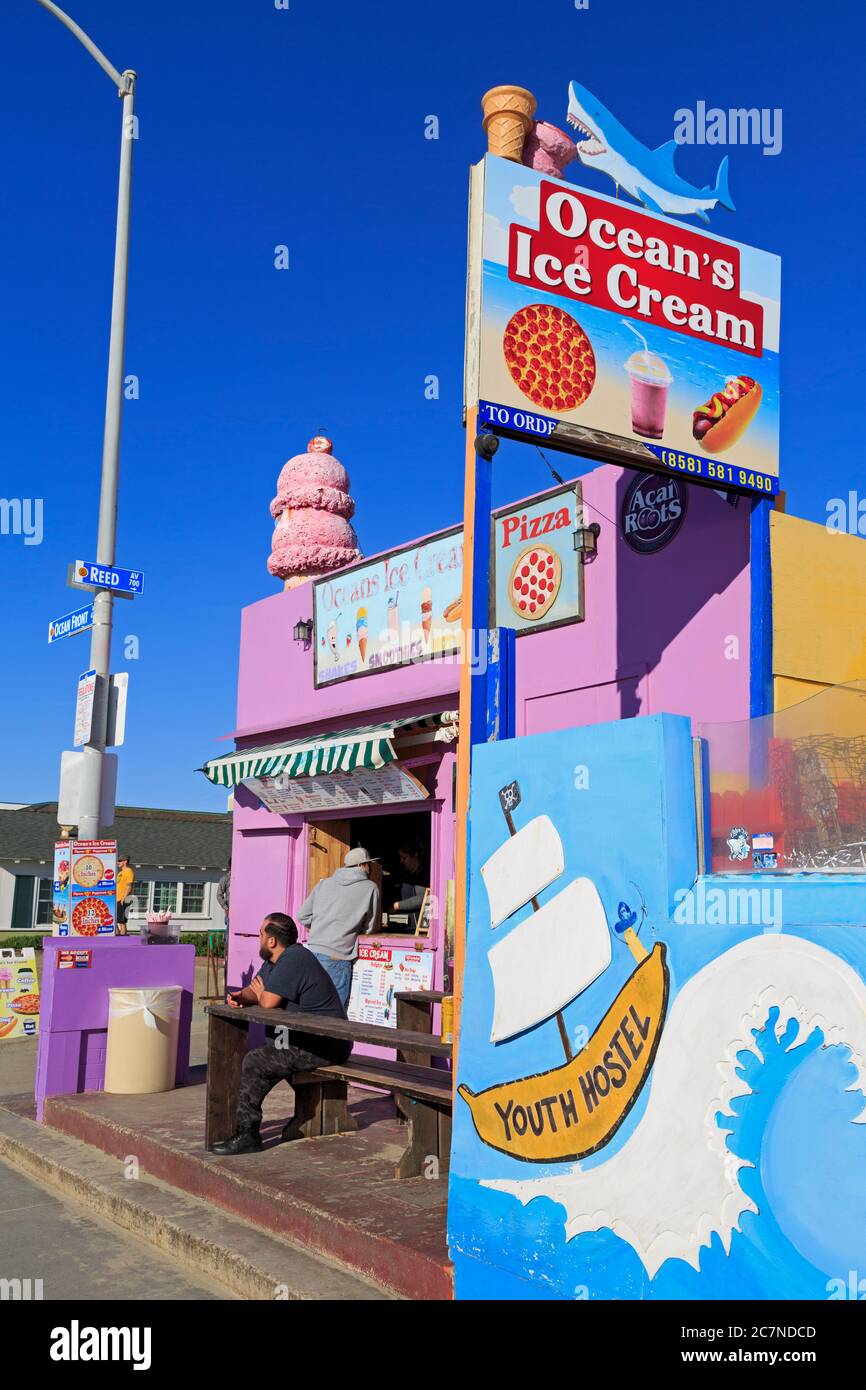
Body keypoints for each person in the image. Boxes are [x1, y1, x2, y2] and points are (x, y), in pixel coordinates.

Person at [210, 913, 351, 1156]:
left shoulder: (294, 958)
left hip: (326, 1043)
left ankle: (248, 1134)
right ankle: (245, 1128)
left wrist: (263, 993)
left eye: (261, 934)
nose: (259, 939)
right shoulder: (275, 961)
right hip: (304, 1040)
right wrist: (242, 997)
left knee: (256, 1062)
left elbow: (268, 1001)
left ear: (272, 941)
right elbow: (257, 990)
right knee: (261, 1058)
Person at [296, 846, 379, 1007]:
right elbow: (370, 927)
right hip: (338, 956)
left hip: (312, 952)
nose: (371, 868)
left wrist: (321, 927)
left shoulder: (324, 884)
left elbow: (302, 915)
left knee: (311, 1008)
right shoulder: (370, 888)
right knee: (333, 1013)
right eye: (369, 864)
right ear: (362, 865)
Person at [391, 839, 428, 932]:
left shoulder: (423, 875)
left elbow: (422, 898)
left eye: (404, 858)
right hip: (403, 925)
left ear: (415, 855)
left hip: (414, 929)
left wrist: (397, 905)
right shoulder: (407, 875)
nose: (401, 861)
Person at [115, 854, 135, 935]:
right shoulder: (121, 872)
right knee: (115, 921)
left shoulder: (128, 871)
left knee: (122, 922)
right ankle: (117, 938)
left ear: (125, 861)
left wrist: (124, 898)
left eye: (120, 861)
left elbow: (129, 886)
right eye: (117, 861)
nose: (117, 862)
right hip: (117, 898)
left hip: (123, 899)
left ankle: (123, 941)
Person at [217, 859, 231, 925]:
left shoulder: (244, 878)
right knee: (230, 932)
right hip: (230, 912)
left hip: (243, 911)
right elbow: (219, 895)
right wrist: (226, 908)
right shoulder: (225, 878)